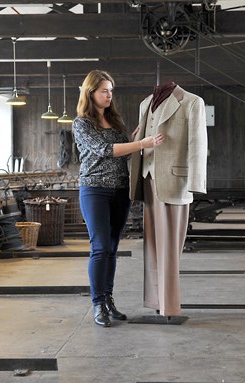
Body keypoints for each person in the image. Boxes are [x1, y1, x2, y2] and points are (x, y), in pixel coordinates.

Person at [73, 70, 165, 327]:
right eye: (104, 91)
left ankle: (108, 299)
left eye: (111, 91)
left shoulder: (114, 121)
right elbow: (105, 150)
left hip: (120, 191)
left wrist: (133, 140)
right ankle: (97, 304)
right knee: (100, 247)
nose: (109, 95)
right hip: (95, 190)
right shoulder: (82, 123)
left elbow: (122, 152)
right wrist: (142, 143)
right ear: (91, 93)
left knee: (112, 249)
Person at [129, 82, 208, 318]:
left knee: (170, 249)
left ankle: (170, 306)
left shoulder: (192, 102)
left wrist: (195, 183)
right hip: (147, 179)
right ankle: (155, 300)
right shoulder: (146, 103)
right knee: (152, 247)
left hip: (175, 182)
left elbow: (198, 143)